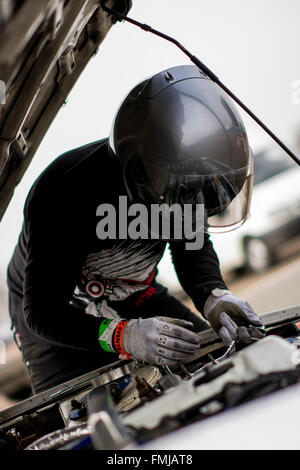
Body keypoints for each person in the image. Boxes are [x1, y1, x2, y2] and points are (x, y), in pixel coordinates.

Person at [7, 65, 264, 394]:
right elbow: (43, 312)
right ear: (141, 175)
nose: (186, 208)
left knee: (223, 367)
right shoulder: (65, 189)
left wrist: (214, 295)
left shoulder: (183, 172)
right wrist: (123, 336)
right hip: (62, 323)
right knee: (88, 420)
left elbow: (191, 249)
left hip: (137, 297)